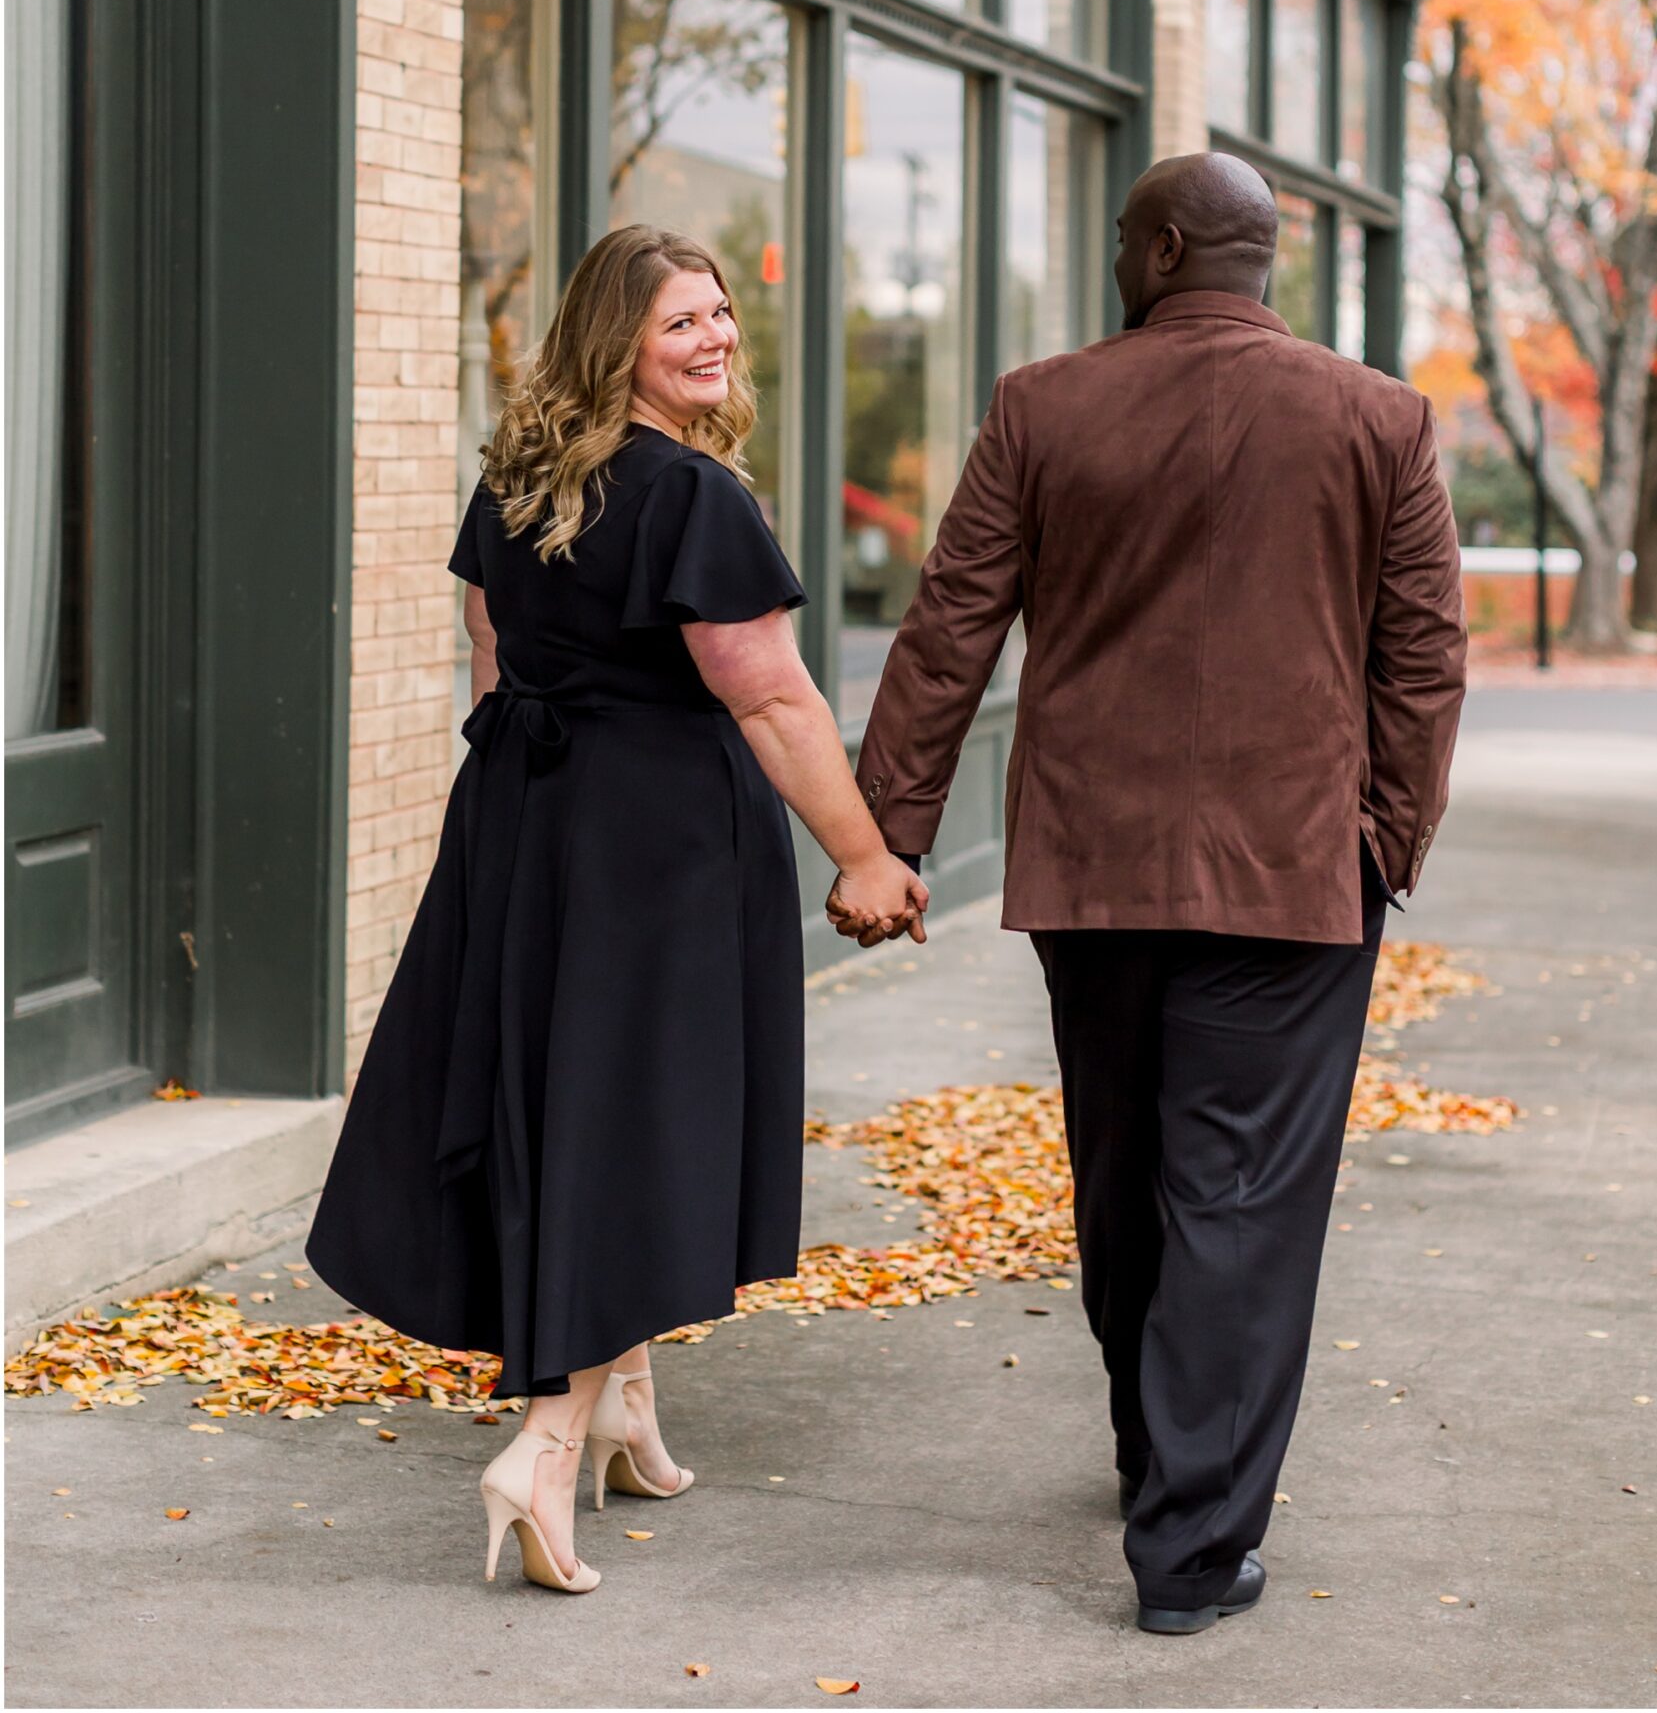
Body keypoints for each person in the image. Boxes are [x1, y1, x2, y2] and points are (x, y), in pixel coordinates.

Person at [845, 151, 1467, 1633]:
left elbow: (948, 627)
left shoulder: (1041, 404)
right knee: (1238, 1197)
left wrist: (891, 832)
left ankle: (1161, 1465)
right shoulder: (1378, 416)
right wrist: (1388, 838)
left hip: (1094, 865)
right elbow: (1423, 655)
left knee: (1123, 1181)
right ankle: (1190, 1546)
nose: (1117, 256)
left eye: (1126, 237)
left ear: (1167, 247)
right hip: (1292, 871)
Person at [308, 223, 926, 1596]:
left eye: (718, 316)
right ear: (618, 345)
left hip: (529, 819)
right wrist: (863, 856)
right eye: (680, 324)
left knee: (573, 1099)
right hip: (656, 850)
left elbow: (487, 638)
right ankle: (544, 1443)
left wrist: (534, 775)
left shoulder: (525, 475)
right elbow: (768, 694)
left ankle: (625, 1412)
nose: (713, 338)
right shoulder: (691, 497)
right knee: (629, 1126)